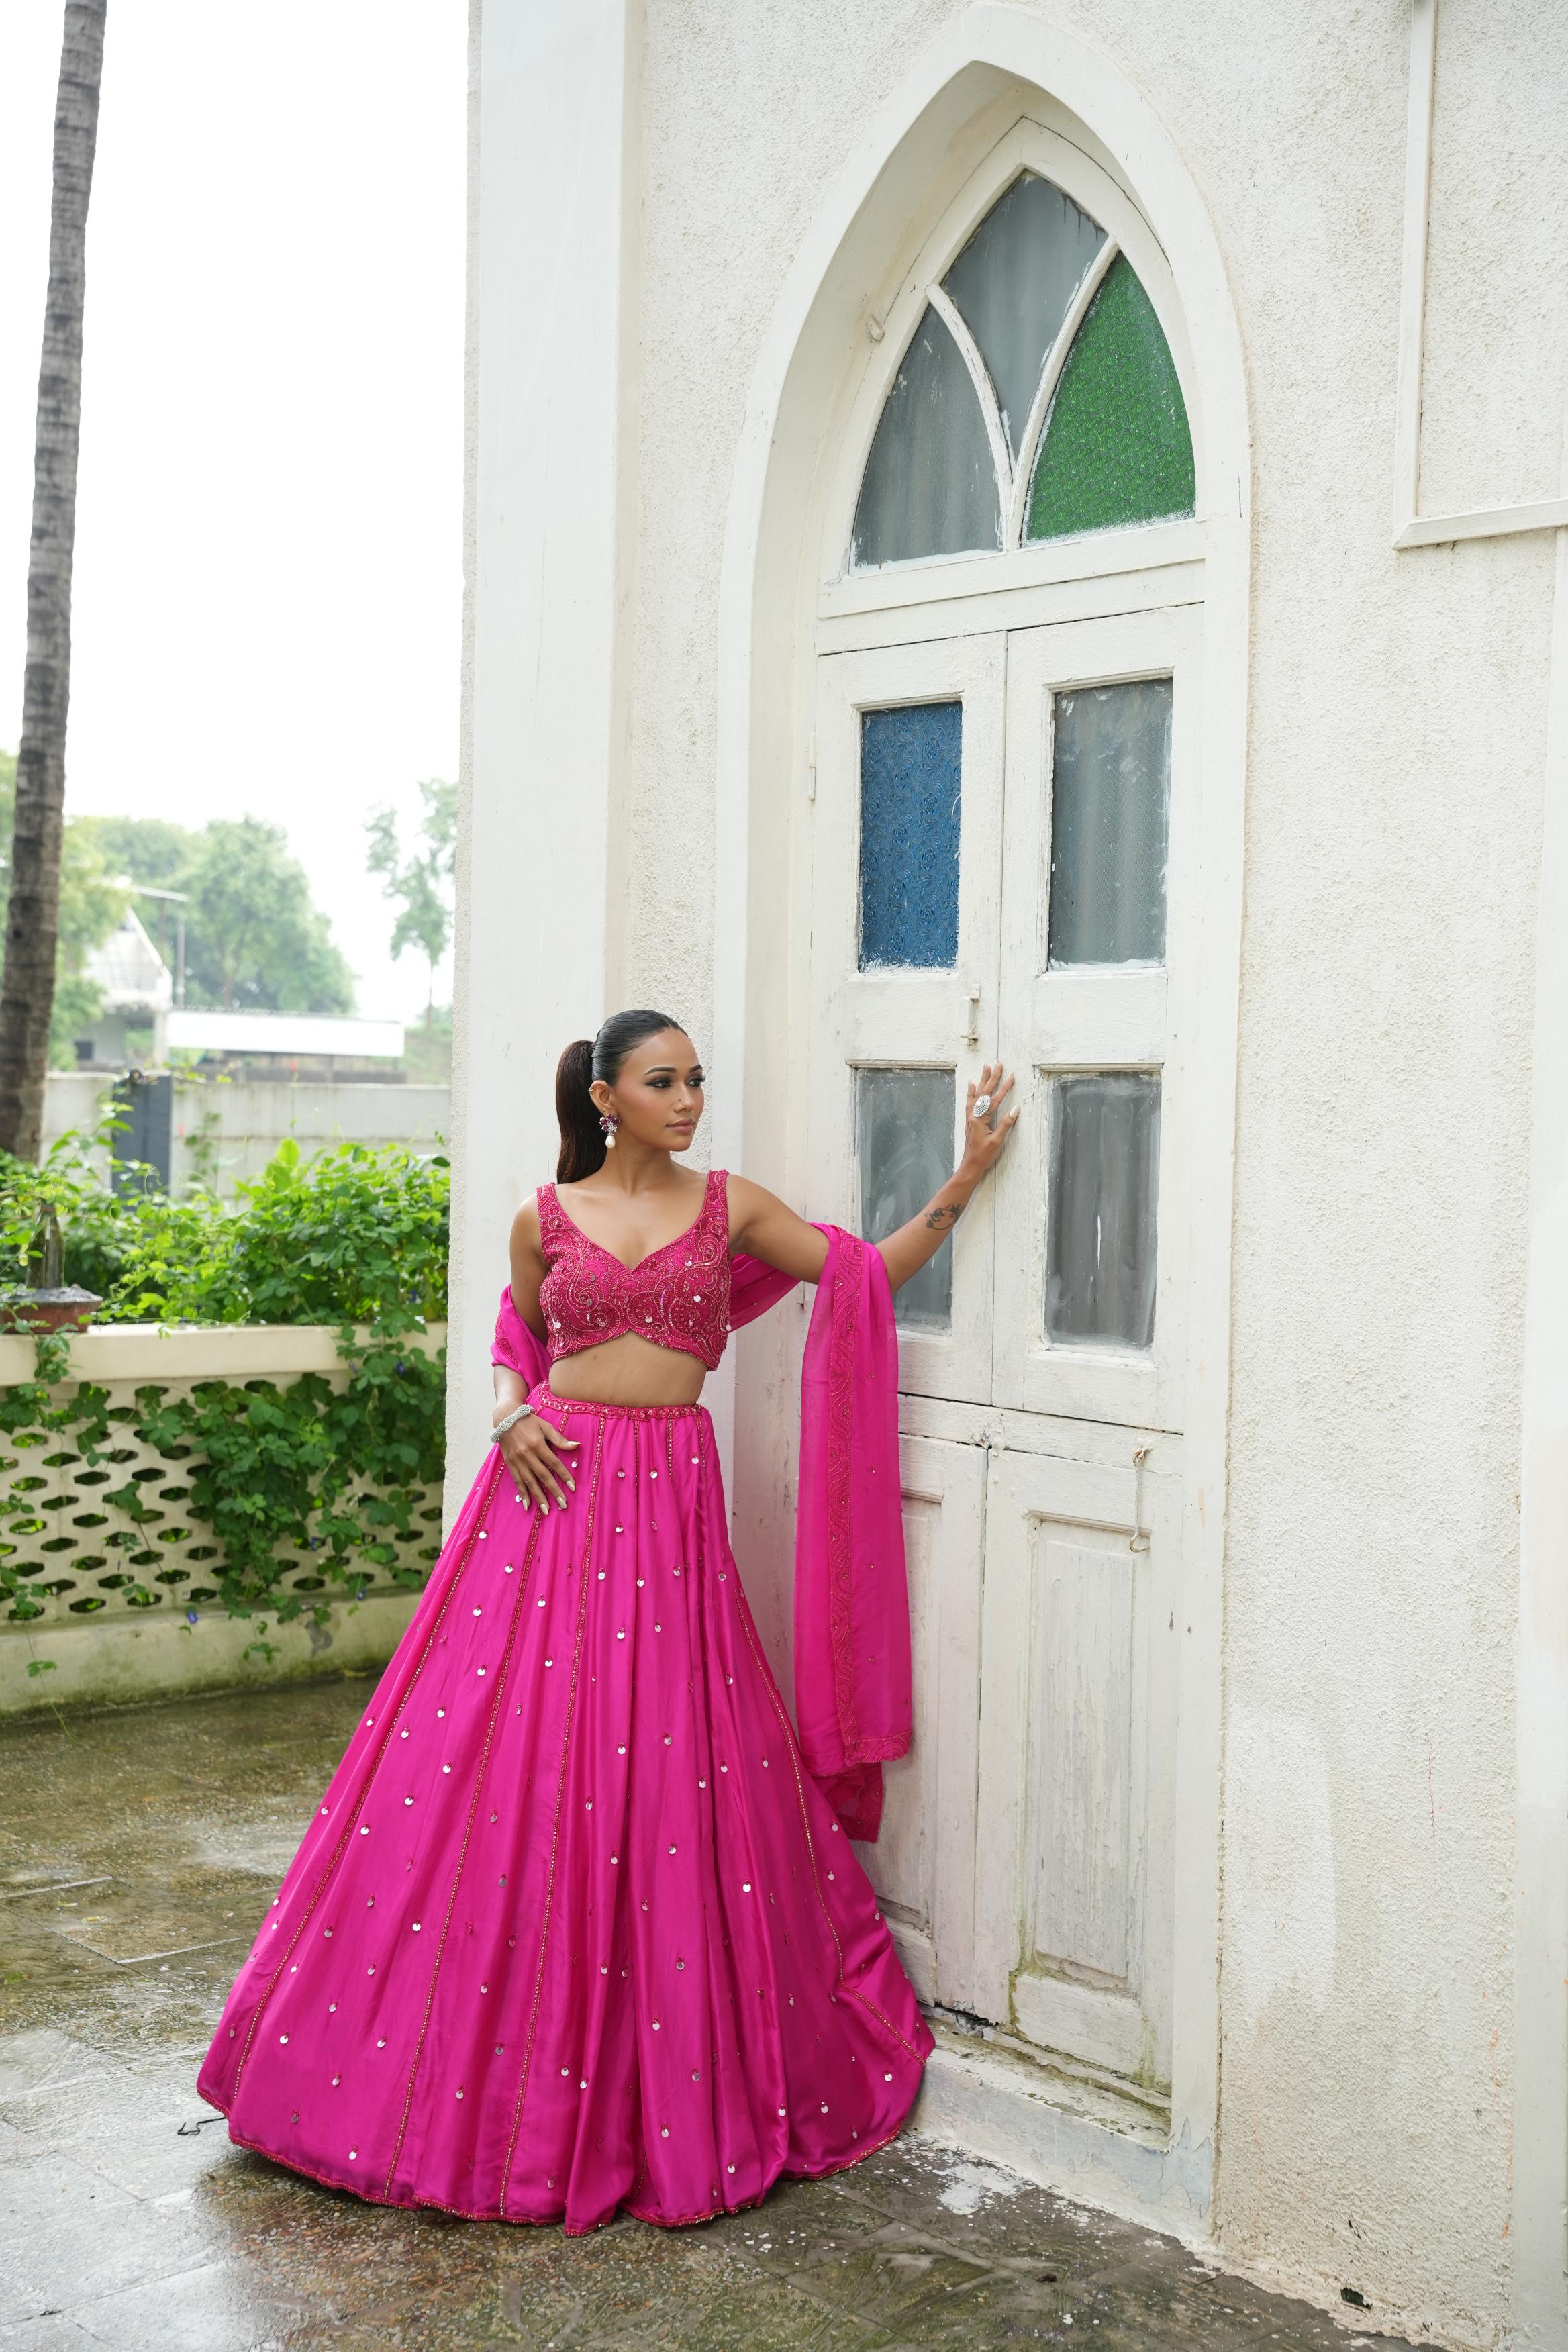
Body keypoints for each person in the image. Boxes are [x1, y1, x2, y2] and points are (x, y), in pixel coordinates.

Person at [198, 1009, 1016, 2234]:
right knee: (495, 1768)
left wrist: (960, 1182)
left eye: (696, 1079)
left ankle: (652, 2076)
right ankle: (433, 2079)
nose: (689, 1098)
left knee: (664, 1777)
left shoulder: (730, 1206)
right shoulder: (545, 1215)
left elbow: (854, 1277)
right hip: (548, 1498)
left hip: (669, 1516)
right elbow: (511, 1339)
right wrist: (505, 1412)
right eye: (663, 1081)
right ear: (608, 1099)